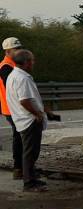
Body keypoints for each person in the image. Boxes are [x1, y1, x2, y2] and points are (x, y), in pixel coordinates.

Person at [6, 50, 60, 192]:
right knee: (31, 152)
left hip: (22, 119)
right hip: (28, 120)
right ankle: (29, 182)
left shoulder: (14, 75)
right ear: (26, 62)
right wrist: (37, 114)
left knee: (29, 151)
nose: (33, 63)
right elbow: (24, 100)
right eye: (32, 60)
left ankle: (31, 177)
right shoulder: (22, 78)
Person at [1, 37, 23, 180]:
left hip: (13, 108)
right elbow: (14, 88)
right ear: (8, 51)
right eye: (16, 49)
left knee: (20, 137)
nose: (19, 51)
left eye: (20, 48)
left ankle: (20, 168)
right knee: (20, 137)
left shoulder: (13, 65)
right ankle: (19, 168)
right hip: (11, 109)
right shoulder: (6, 67)